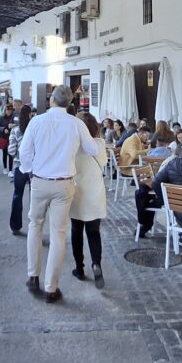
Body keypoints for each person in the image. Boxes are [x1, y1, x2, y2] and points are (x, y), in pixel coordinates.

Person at [19, 85, 100, 303]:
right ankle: (51, 287)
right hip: (64, 184)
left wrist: (29, 172)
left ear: (52, 100)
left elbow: (24, 151)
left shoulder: (37, 121)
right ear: (70, 103)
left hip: (40, 181)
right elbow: (94, 150)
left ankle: (32, 276)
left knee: (35, 225)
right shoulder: (76, 123)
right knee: (58, 234)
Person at [70, 112, 108, 288]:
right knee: (94, 232)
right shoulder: (99, 143)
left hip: (77, 192)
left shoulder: (73, 145)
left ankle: (79, 267)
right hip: (95, 193)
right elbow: (104, 163)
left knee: (76, 232)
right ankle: (96, 264)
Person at [8, 105, 33, 235]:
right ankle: (34, 226)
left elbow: (11, 150)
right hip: (34, 169)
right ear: (30, 115)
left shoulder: (16, 131)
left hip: (19, 167)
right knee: (33, 197)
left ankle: (15, 225)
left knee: (17, 195)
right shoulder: (34, 130)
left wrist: (17, 155)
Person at [0, 104, 15, 174]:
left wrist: (13, 126)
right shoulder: (1, 117)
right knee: (4, 153)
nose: (9, 112)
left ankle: (10, 170)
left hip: (11, 138)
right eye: (8, 110)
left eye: (10, 110)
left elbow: (16, 124)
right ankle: (5, 168)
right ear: (5, 110)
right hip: (3, 137)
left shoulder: (13, 117)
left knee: (10, 153)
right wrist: (3, 129)